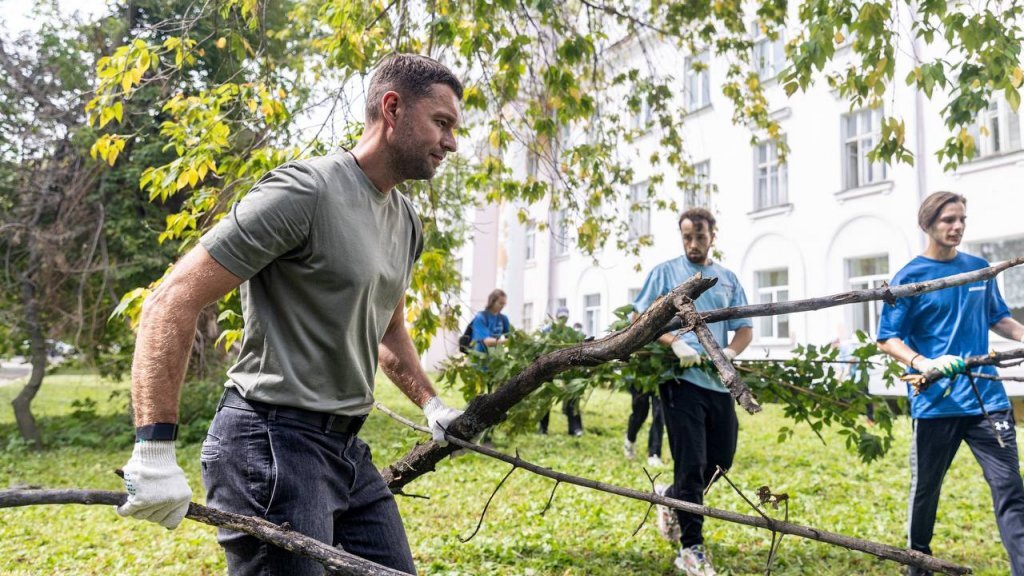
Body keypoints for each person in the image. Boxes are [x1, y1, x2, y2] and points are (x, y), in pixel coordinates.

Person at [115, 54, 467, 575]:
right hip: (269, 442)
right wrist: (153, 449)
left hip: (345, 448)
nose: (451, 142)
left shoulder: (406, 221)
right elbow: (171, 301)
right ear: (392, 108)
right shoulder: (305, 192)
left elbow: (387, 329)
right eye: (442, 123)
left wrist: (433, 406)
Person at [877, 191, 1024, 576]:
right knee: (926, 492)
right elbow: (888, 338)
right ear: (928, 224)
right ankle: (918, 566)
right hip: (937, 401)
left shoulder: (979, 269)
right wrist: (924, 361)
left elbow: (999, 318)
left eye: (961, 219)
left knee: (1010, 488)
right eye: (948, 220)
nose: (957, 226)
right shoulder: (909, 278)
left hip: (987, 399)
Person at [632, 207, 753, 576]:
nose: (693, 243)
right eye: (687, 237)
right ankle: (691, 549)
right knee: (691, 463)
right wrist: (673, 343)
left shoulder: (727, 279)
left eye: (700, 236)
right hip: (680, 381)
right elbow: (640, 318)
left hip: (717, 383)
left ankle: (672, 498)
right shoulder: (666, 273)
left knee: (721, 461)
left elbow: (744, 327)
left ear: (712, 236)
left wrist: (730, 352)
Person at [538, 307, 584, 436]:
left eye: (565, 318)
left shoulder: (569, 332)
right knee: (545, 398)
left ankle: (575, 429)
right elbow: (540, 349)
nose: (563, 320)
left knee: (572, 395)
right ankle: (543, 429)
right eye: (561, 317)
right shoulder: (547, 330)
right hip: (548, 369)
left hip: (565, 370)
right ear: (556, 317)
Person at [623, 384, 665, 468]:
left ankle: (654, 453)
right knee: (640, 414)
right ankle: (630, 439)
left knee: (659, 413)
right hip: (641, 375)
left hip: (661, 376)